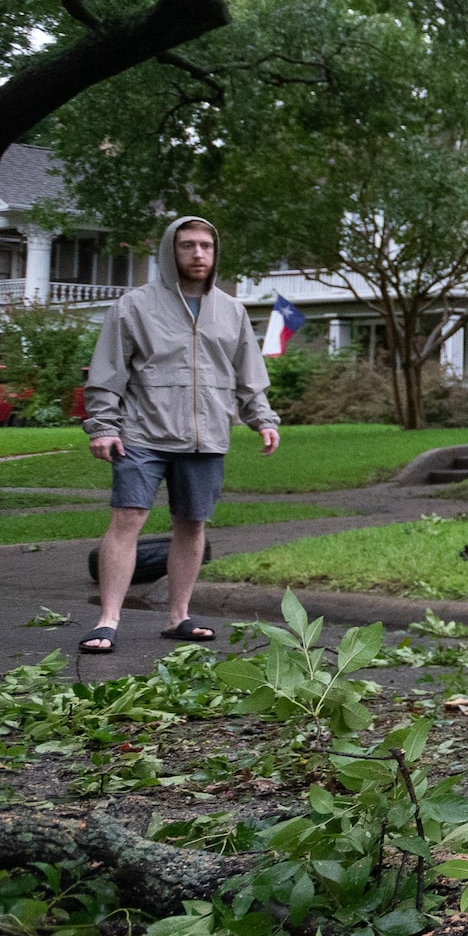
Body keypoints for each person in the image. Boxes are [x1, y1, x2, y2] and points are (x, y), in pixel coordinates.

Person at [77, 216, 281, 654]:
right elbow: (106, 373)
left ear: (215, 251)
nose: (198, 254)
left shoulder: (232, 311)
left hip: (205, 435)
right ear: (171, 251)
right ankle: (107, 621)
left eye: (206, 245)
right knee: (127, 519)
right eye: (188, 245)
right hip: (141, 433)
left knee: (190, 525)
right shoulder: (133, 307)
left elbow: (249, 375)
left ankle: (179, 616)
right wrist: (103, 426)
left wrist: (262, 418)